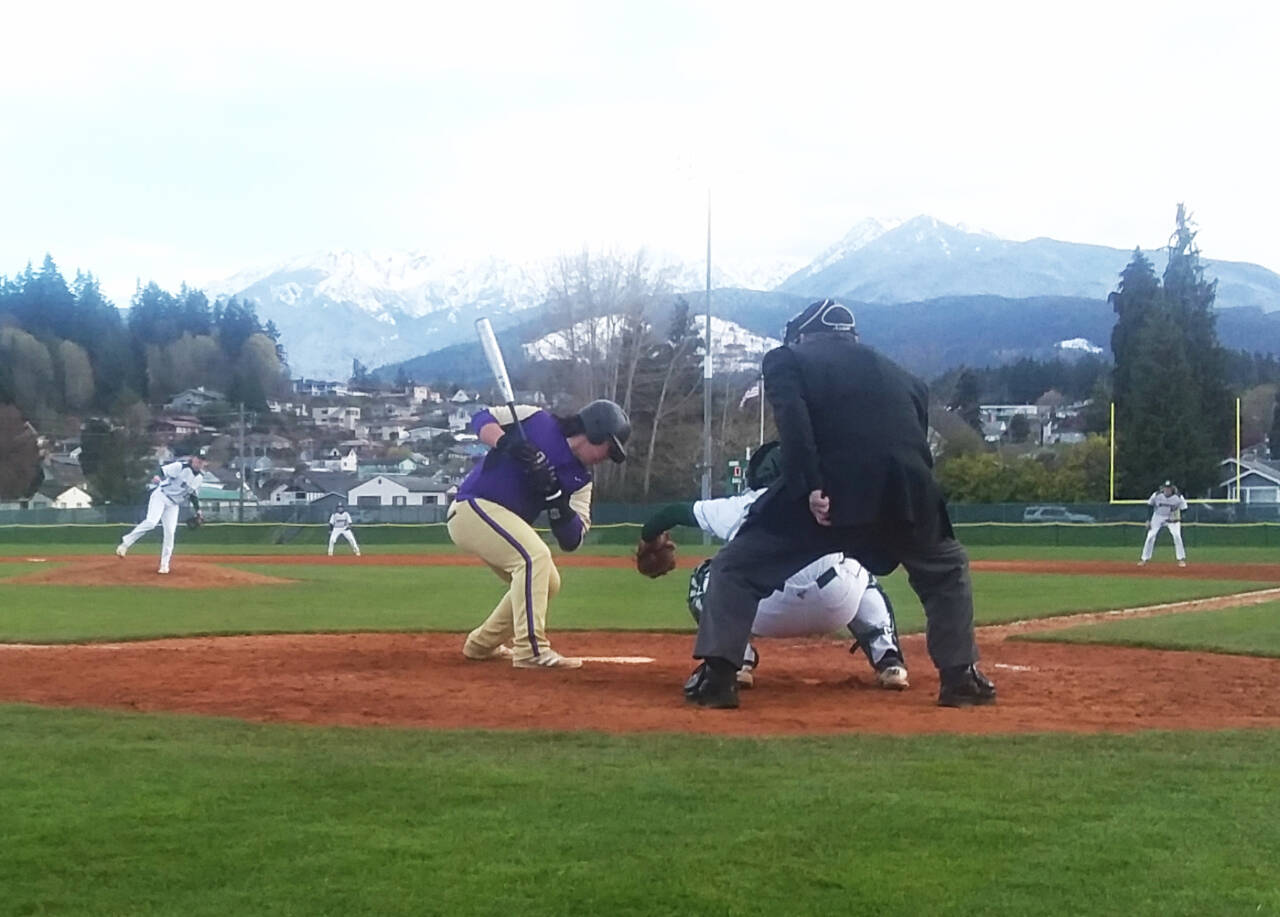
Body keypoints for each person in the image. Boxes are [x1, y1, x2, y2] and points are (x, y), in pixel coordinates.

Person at [683, 299, 995, 709]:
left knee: (736, 566)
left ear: (801, 336)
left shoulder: (786, 359)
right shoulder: (905, 376)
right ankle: (960, 678)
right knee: (945, 569)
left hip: (828, 491)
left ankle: (719, 678)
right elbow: (916, 443)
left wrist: (810, 486)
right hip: (904, 491)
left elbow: (794, 424)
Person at [642, 440, 909, 690]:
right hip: (837, 604)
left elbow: (672, 513)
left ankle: (736, 660)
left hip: (766, 610)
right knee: (861, 569)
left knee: (708, 576)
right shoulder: (829, 497)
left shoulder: (744, 503)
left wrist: (649, 537)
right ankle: (888, 660)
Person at [448, 398, 630, 669]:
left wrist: (555, 497)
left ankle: (481, 644)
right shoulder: (536, 420)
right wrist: (510, 444)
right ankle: (530, 650)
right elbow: (481, 418)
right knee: (534, 558)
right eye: (608, 447)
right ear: (594, 431)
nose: (606, 458)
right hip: (471, 507)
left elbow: (573, 539)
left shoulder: (580, 481)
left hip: (500, 520)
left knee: (548, 582)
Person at [115, 455, 206, 575]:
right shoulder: (180, 467)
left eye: (202, 460)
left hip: (173, 505)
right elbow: (161, 470)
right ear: (193, 459)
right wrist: (157, 476)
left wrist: (198, 510)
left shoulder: (199, 478)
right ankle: (125, 544)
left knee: (170, 533)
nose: (199, 462)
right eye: (198, 459)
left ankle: (164, 565)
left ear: (204, 463)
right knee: (151, 522)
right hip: (161, 496)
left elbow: (193, 494)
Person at [1138, 480, 1189, 567]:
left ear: (1172, 488)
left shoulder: (1178, 497)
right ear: (1163, 488)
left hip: (1172, 518)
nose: (1167, 490)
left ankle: (1181, 559)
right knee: (1150, 536)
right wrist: (1148, 520)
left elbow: (1184, 509)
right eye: (1166, 488)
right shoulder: (1157, 495)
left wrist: (1179, 517)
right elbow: (1150, 506)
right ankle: (1144, 559)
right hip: (1158, 516)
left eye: (1169, 488)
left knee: (1177, 536)